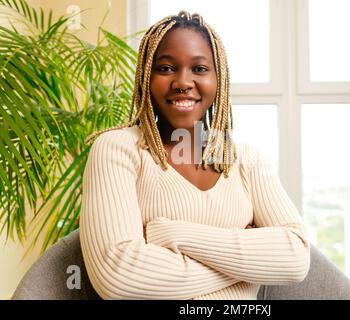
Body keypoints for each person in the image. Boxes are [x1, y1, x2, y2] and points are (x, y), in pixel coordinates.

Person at [80, 11, 310, 300]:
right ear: (145, 77)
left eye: (199, 69)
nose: (182, 82)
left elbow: (296, 258)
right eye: (165, 68)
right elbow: (119, 277)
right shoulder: (118, 149)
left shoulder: (246, 160)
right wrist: (250, 264)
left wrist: (173, 234)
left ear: (219, 78)